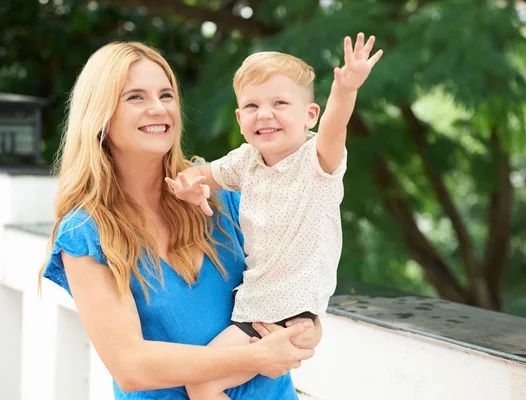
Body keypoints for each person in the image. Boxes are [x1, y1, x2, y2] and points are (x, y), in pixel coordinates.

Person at [39, 41, 323, 400]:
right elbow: (131, 366)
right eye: (135, 98)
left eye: (166, 95)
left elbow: (286, 279)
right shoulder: (87, 234)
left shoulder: (223, 197)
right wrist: (255, 356)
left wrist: (307, 325)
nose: (158, 109)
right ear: (101, 116)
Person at [166, 33, 383, 399]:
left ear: (309, 115)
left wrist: (345, 90)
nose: (264, 114)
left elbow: (335, 127)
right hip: (260, 303)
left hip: (280, 311)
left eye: (280, 103)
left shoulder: (317, 161)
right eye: (251, 106)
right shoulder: (245, 160)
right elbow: (198, 173)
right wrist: (187, 187)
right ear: (239, 118)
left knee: (201, 384)